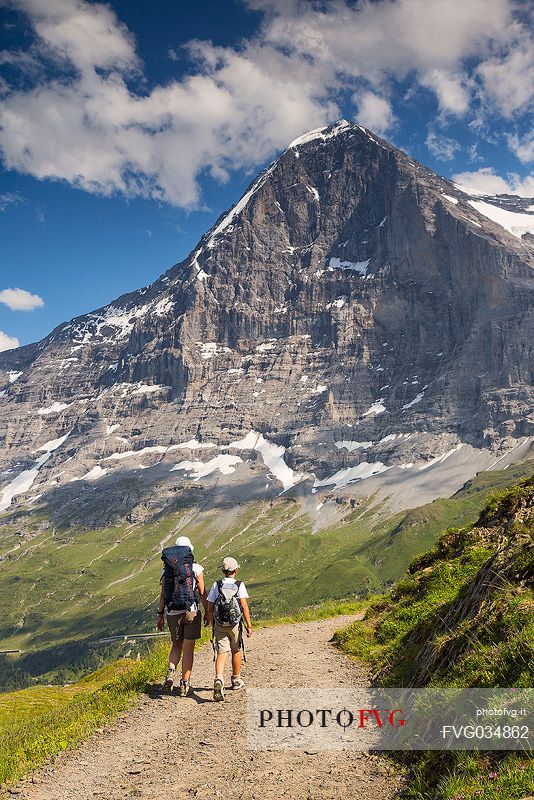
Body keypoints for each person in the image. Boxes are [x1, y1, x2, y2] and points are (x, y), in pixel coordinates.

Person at [156, 535, 208, 697]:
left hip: (172, 612)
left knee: (176, 645)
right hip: (191, 611)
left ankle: (171, 673)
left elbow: (163, 595)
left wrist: (160, 615)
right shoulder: (196, 568)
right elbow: (202, 593)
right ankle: (185, 684)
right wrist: (208, 612)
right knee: (188, 650)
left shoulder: (167, 570)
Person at [207, 556, 252, 701]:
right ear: (236, 570)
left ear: (222, 570)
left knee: (221, 651)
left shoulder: (217, 584)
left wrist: (208, 618)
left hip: (220, 624)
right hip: (235, 625)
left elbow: (210, 604)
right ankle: (236, 679)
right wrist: (249, 625)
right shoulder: (239, 585)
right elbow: (244, 606)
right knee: (236, 650)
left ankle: (219, 678)